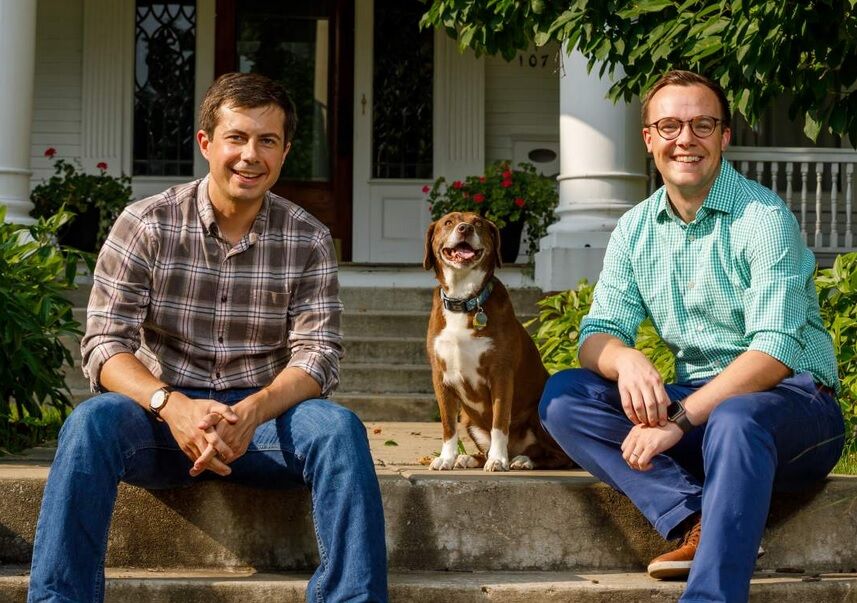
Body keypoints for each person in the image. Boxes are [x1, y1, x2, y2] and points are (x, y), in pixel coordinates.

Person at [28, 72, 387, 603]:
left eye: (268, 141)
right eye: (237, 138)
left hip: (262, 426)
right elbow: (104, 344)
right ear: (206, 144)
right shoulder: (146, 224)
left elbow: (319, 355)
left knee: (338, 430)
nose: (250, 155)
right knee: (89, 423)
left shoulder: (307, 237)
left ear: (285, 152)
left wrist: (254, 412)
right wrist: (171, 406)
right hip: (158, 422)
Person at [539, 70, 844, 602]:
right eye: (671, 125)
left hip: (794, 410)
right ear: (650, 139)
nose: (686, 139)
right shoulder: (636, 229)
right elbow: (596, 333)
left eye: (703, 124)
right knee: (564, 398)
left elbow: (772, 354)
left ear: (724, 136)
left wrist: (677, 421)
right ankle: (696, 515)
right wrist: (624, 357)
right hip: (704, 415)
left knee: (735, 416)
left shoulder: (762, 217)